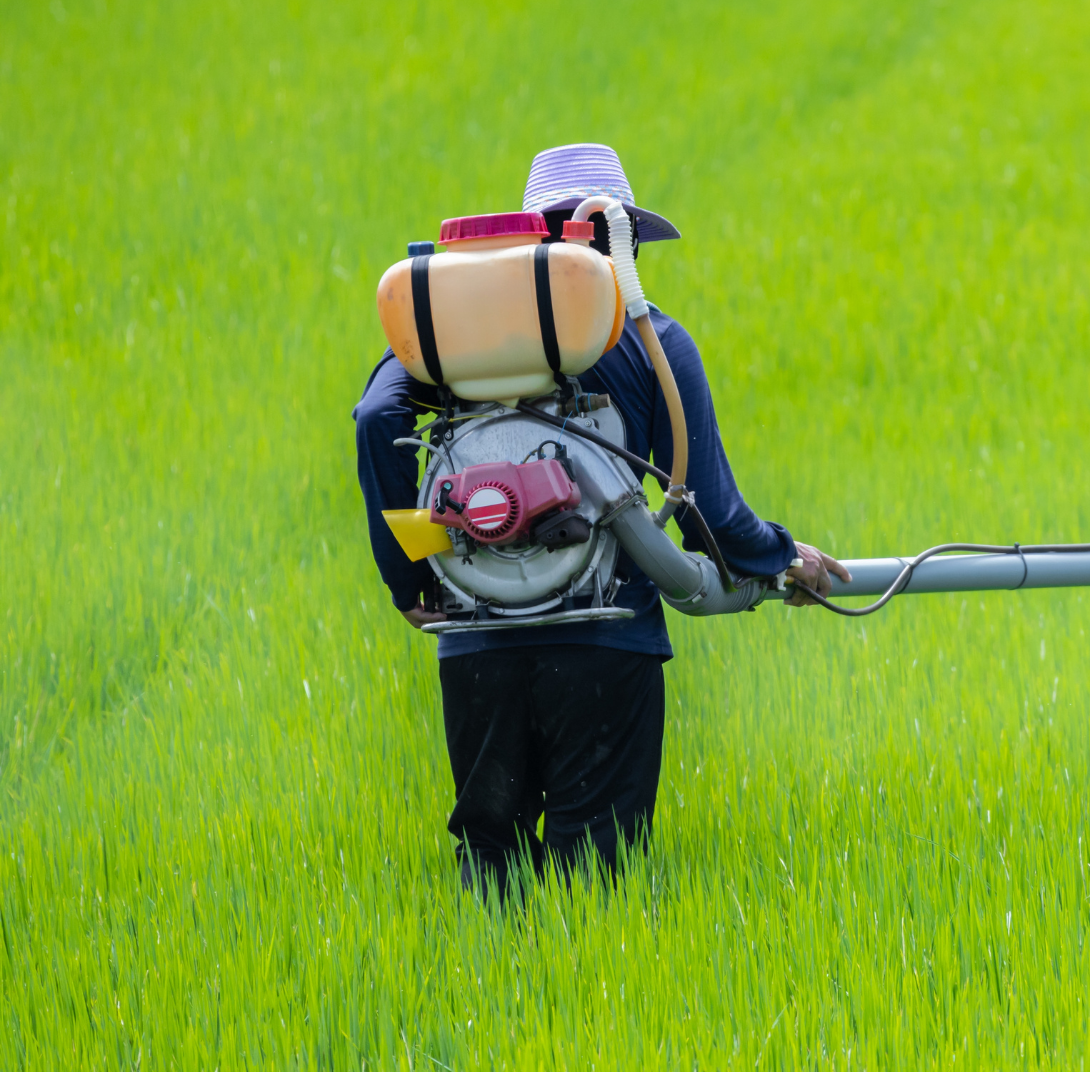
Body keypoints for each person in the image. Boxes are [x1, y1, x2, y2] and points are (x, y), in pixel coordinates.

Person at [353, 143, 848, 893]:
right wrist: (777, 557)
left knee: (492, 872)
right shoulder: (649, 335)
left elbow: (375, 418)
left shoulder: (451, 332)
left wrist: (412, 578)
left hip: (477, 640)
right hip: (606, 638)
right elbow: (709, 515)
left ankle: (484, 1004)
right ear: (622, 239)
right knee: (596, 885)